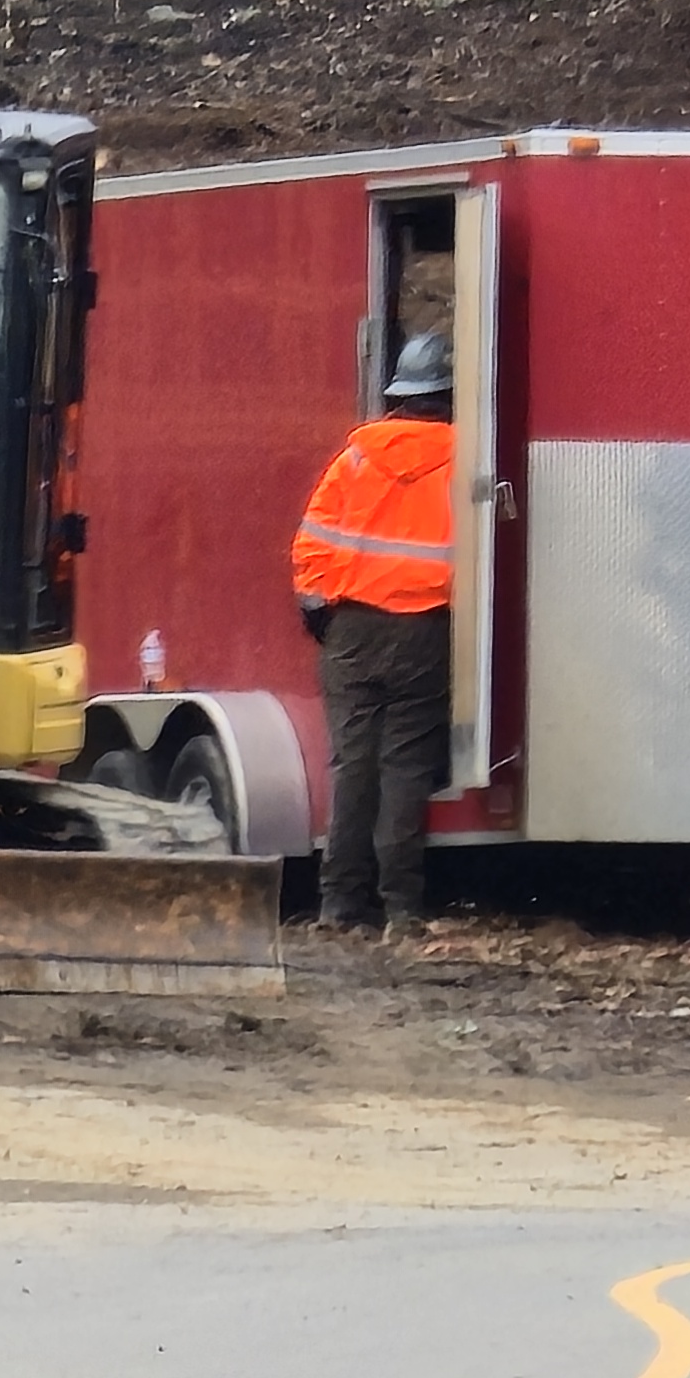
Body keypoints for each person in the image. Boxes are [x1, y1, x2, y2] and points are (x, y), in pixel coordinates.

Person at [288, 331, 458, 939]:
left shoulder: (356, 457)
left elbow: (311, 544)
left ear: (401, 395)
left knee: (353, 767)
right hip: (426, 634)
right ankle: (403, 910)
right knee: (406, 768)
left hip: (352, 631)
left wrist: (321, 612)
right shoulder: (468, 462)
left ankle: (337, 906)